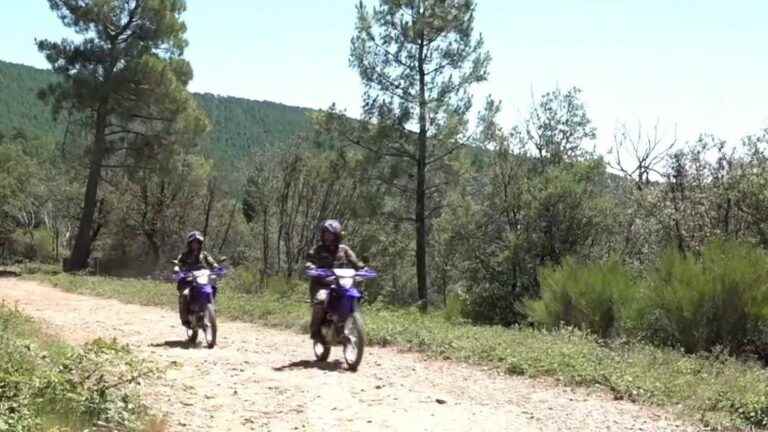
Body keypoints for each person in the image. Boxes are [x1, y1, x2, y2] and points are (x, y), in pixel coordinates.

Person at [304, 219, 366, 341]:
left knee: (356, 294)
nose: (327, 237)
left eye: (330, 234)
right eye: (325, 234)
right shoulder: (318, 249)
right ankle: (315, 331)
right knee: (321, 300)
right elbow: (309, 260)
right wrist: (311, 266)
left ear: (337, 235)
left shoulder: (344, 249)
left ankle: (349, 324)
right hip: (322, 284)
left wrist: (363, 268)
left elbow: (355, 262)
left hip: (341, 283)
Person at [174, 231, 218, 328]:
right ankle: (185, 319)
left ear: (200, 243)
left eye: (197, 242)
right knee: (185, 294)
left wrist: (216, 266)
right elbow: (178, 263)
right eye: (193, 242)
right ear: (189, 244)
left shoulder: (204, 254)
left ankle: (210, 307)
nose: (195, 244)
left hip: (202, 277)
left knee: (213, 286)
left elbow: (212, 262)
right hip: (189, 279)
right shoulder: (184, 255)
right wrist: (177, 268)